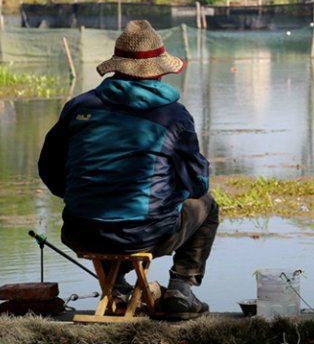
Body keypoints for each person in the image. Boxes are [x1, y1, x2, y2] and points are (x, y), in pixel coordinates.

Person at [39, 20, 218, 316]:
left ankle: (118, 285)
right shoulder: (174, 116)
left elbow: (48, 168)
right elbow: (198, 183)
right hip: (145, 235)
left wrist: (84, 195)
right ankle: (181, 288)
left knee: (110, 210)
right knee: (207, 206)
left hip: (79, 229)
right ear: (160, 71)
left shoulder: (78, 107)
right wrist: (173, 193)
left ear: (116, 67)